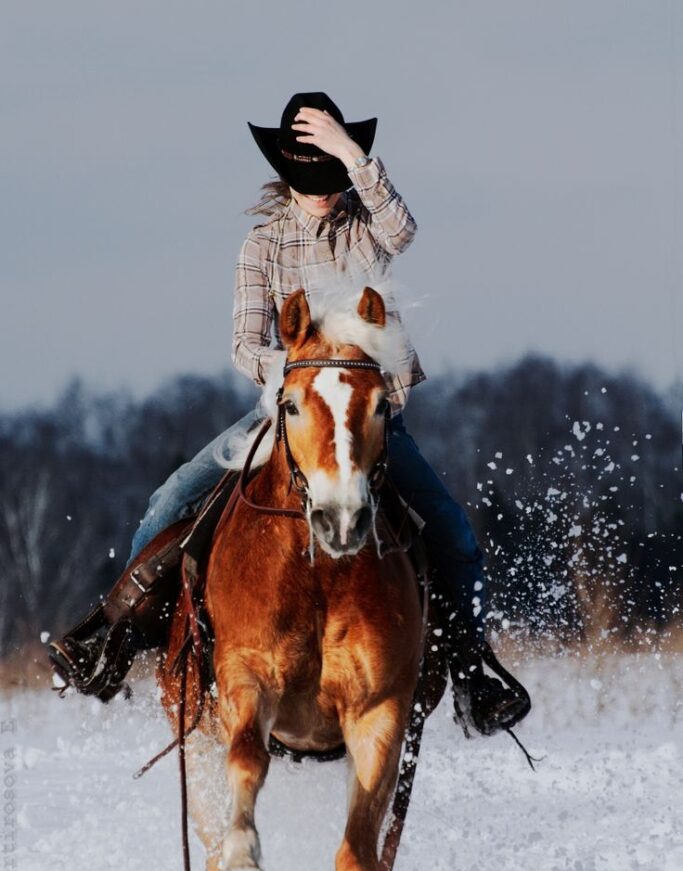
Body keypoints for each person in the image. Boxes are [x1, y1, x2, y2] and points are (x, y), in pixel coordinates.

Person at [50, 92, 530, 735]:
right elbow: (245, 343)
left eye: (330, 173)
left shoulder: (365, 225)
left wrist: (352, 152)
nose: (323, 189)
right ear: (286, 172)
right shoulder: (262, 244)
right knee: (170, 501)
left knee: (451, 530)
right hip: (286, 415)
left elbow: (404, 231)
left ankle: (473, 671)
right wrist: (299, 381)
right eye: (313, 175)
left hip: (365, 420)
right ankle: (113, 638)